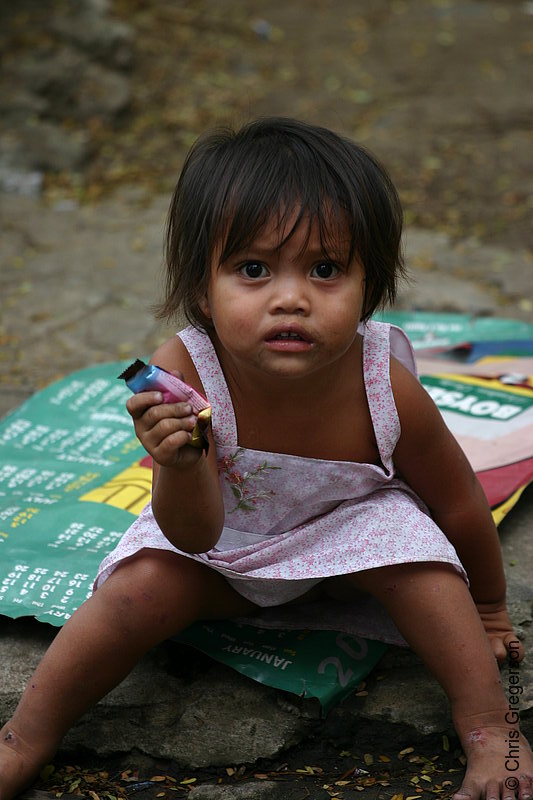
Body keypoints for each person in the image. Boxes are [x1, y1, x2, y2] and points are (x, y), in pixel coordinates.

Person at [0, 117, 531, 800]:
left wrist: (488, 607)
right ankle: (24, 736)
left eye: (324, 269)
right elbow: (191, 534)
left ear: (369, 286)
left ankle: (491, 731)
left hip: (349, 540)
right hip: (221, 544)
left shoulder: (382, 382)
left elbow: (457, 500)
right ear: (201, 289)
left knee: (427, 574)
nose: (290, 297)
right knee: (132, 591)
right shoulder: (183, 371)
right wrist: (183, 464)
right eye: (252, 269)